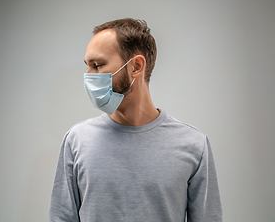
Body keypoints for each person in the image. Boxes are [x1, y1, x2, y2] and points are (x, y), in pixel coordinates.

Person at [48, 18, 222, 222]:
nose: (88, 77)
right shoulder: (77, 140)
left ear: (136, 66)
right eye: (87, 66)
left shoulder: (193, 145)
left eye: (97, 65)